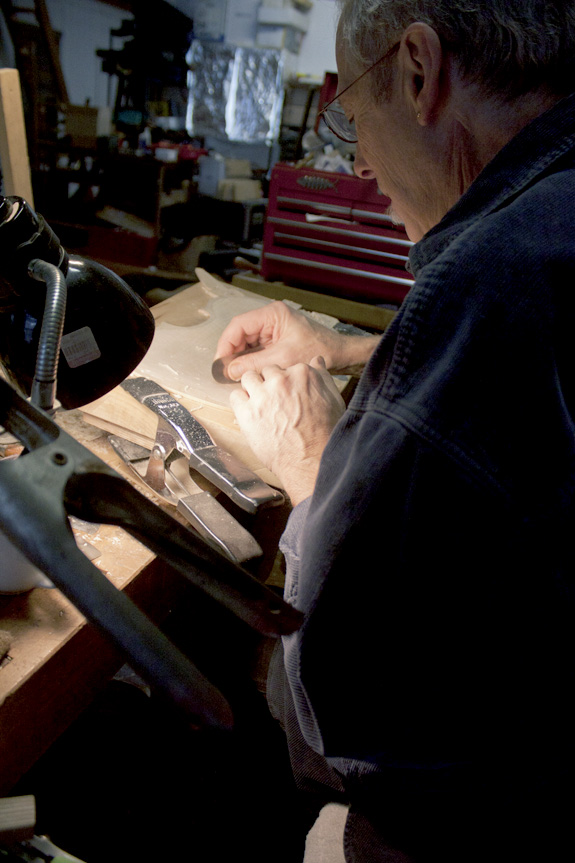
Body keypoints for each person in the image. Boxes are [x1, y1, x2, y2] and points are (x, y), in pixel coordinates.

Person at [214, 2, 575, 860]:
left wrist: (313, 466)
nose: (357, 159)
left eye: (351, 113)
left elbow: (357, 717)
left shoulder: (488, 283)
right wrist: (354, 350)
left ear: (419, 70)